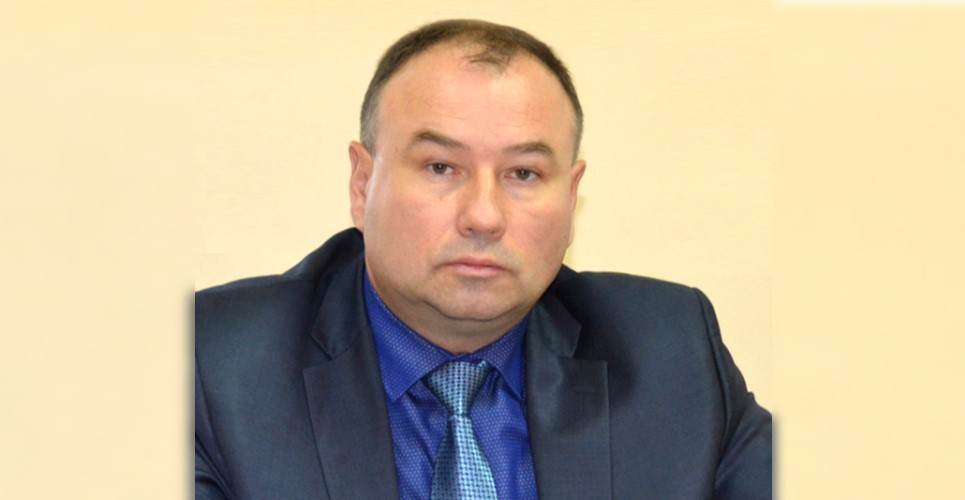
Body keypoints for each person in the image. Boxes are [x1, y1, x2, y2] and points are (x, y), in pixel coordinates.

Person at [195, 19, 772, 500]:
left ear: (571, 198)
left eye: (524, 173)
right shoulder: (212, 365)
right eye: (441, 167)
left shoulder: (672, 352)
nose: (484, 216)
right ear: (362, 184)